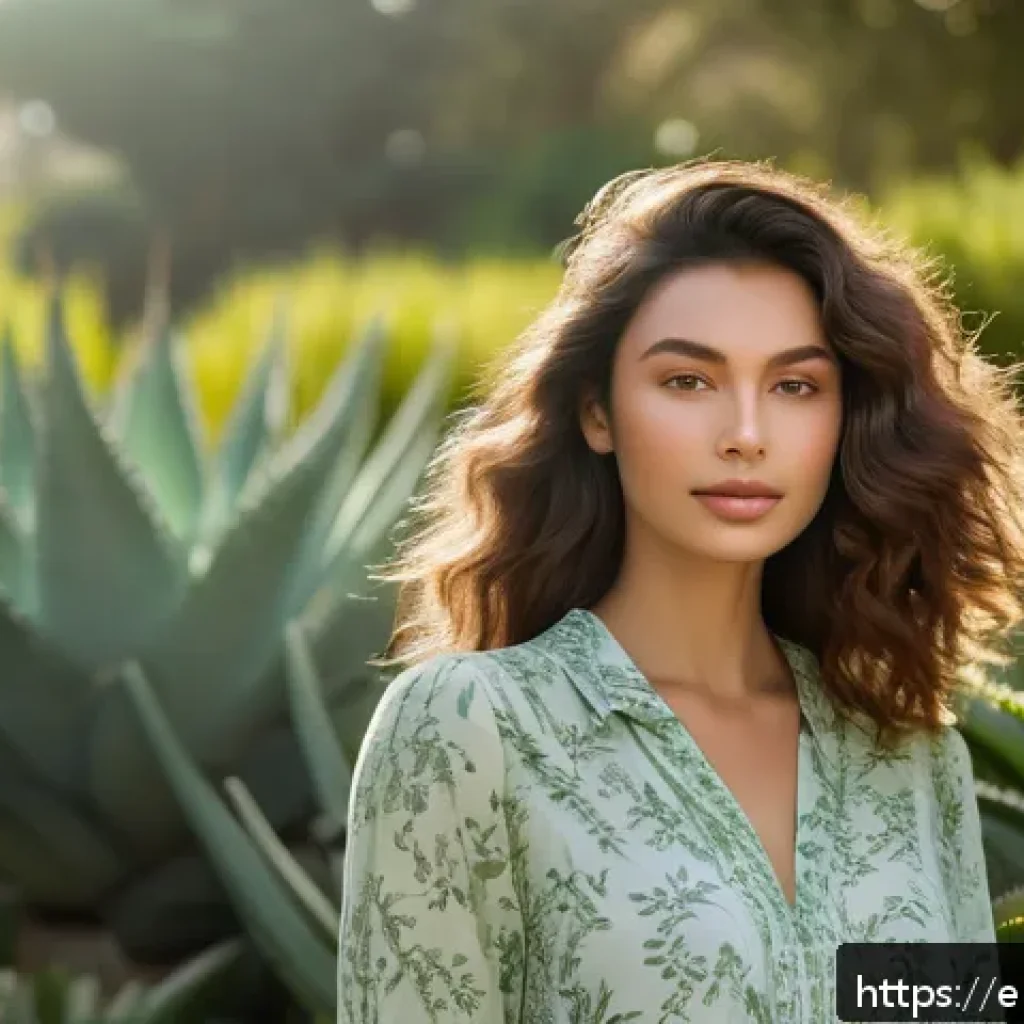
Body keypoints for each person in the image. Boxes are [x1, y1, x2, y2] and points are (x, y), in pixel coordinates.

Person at [335, 159, 1024, 1023]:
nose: (744, 434)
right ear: (597, 411)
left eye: (795, 386)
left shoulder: (910, 757)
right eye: (687, 381)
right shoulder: (474, 730)